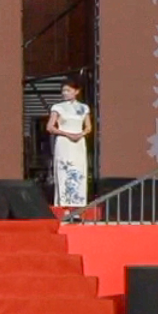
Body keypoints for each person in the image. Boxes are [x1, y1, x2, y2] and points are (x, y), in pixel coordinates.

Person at [46, 79, 92, 213]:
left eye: (68, 90)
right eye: (63, 90)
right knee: (64, 173)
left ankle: (77, 208)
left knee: (79, 171)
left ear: (76, 92)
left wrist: (80, 134)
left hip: (78, 142)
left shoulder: (84, 108)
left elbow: (88, 127)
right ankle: (64, 208)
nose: (65, 93)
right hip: (64, 142)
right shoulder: (58, 107)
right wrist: (67, 134)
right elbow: (50, 127)